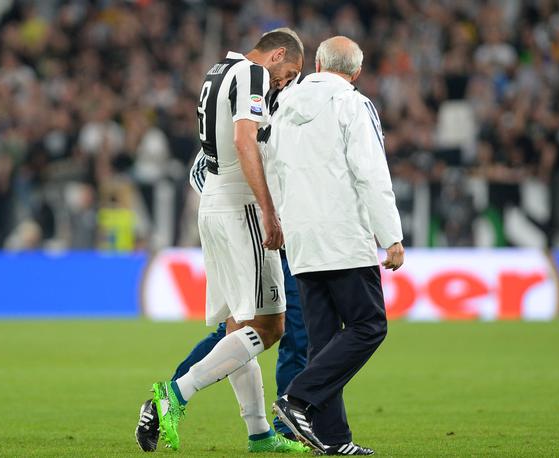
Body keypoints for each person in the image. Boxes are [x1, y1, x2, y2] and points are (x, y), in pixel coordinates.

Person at [135, 30, 305, 453]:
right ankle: (174, 396)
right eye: (289, 72)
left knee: (237, 326)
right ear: (278, 55)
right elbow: (243, 138)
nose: (285, 81)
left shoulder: (217, 71)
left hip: (212, 203)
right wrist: (267, 208)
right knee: (271, 325)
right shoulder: (251, 74)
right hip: (240, 205)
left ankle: (260, 434)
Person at [268, 36, 405, 456]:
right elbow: (371, 172)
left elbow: (272, 168)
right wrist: (391, 236)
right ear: (356, 72)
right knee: (369, 325)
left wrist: (283, 223)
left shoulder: (285, 105)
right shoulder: (353, 104)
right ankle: (297, 397)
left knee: (324, 341)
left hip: (303, 240)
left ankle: (333, 438)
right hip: (343, 236)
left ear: (319, 63)